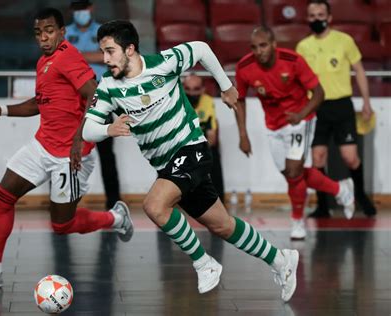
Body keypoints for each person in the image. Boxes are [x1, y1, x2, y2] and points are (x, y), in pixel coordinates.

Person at [83, 19, 299, 302]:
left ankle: (204, 263)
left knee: (154, 205)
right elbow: (88, 129)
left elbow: (200, 48)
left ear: (130, 49)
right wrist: (109, 129)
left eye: (110, 51)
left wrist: (225, 85)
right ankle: (281, 259)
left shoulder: (163, 63)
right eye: (103, 52)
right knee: (222, 225)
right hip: (167, 166)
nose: (105, 58)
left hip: (191, 150)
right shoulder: (109, 87)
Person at [0, 8, 133, 290]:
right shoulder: (43, 62)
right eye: (38, 32)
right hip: (42, 145)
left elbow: (94, 94)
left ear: (62, 31)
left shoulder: (68, 55)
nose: (43, 37)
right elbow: (39, 103)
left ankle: (116, 218)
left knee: (61, 226)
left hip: (70, 157)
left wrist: (78, 138)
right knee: (2, 197)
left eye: (49, 30)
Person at [234, 27, 355, 240]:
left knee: (293, 170)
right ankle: (340, 189)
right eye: (254, 47)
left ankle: (297, 221)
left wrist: (301, 114)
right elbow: (240, 100)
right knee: (292, 175)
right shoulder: (244, 67)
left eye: (263, 45)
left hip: (301, 120)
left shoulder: (293, 60)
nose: (258, 51)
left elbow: (319, 93)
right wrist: (243, 135)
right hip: (273, 126)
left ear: (273, 44)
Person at [296, 0, 377, 218]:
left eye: (321, 14)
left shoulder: (344, 41)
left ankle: (360, 195)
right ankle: (323, 206)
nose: (317, 19)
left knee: (350, 156)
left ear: (329, 17)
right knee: (318, 157)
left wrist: (366, 102)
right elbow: (299, 80)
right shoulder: (303, 46)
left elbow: (359, 70)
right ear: (307, 19)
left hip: (341, 105)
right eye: (312, 15)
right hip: (317, 107)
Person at [66, 0, 122, 209]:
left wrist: (78, 55)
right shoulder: (64, 33)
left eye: (85, 7)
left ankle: (114, 201)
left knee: (107, 154)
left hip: (102, 97)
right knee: (70, 150)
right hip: (74, 100)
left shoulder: (103, 31)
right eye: (77, 8)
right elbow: (61, 60)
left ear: (92, 8)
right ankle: (66, 199)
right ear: (73, 11)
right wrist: (95, 56)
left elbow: (112, 57)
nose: (82, 12)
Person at [183, 73, 225, 202]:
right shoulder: (177, 102)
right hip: (181, 144)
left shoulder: (207, 101)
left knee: (212, 155)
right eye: (188, 89)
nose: (192, 93)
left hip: (202, 143)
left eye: (196, 89)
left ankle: (219, 200)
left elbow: (212, 136)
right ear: (183, 89)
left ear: (202, 89)